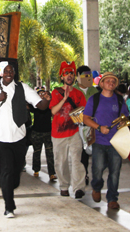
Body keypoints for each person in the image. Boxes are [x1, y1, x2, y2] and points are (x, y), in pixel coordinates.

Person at [0, 61, 50, 218]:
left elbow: (41, 106)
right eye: (6, 71)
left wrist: (46, 99)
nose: (9, 73)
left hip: (19, 138)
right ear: (0, 73)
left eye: (11, 71)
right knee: (5, 172)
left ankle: (11, 186)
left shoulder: (22, 88)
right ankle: (9, 207)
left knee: (15, 173)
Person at [82, 72, 129, 210]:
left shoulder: (120, 100)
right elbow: (85, 118)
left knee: (115, 171)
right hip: (99, 141)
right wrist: (99, 127)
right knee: (97, 170)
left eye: (113, 81)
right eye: (107, 81)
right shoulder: (94, 99)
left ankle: (112, 198)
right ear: (101, 84)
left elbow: (125, 117)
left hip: (116, 142)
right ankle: (96, 187)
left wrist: (123, 123)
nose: (111, 83)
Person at [49, 61, 87, 199]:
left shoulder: (79, 94)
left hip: (74, 132)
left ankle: (78, 188)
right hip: (58, 134)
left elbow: (83, 113)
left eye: (71, 73)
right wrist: (64, 98)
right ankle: (64, 186)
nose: (69, 75)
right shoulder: (56, 92)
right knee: (61, 162)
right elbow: (53, 111)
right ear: (62, 77)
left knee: (77, 160)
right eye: (66, 73)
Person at [74, 65, 99, 185]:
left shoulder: (94, 91)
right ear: (78, 77)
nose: (88, 78)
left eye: (90, 76)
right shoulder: (72, 90)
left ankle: (96, 175)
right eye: (85, 76)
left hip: (94, 126)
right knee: (81, 154)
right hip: (78, 127)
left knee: (96, 153)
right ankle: (84, 176)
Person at [29, 86, 57, 181]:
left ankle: (52, 173)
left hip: (48, 132)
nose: (41, 95)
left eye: (43, 93)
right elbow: (27, 104)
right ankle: (36, 170)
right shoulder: (35, 106)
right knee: (37, 152)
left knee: (50, 153)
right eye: (39, 94)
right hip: (36, 132)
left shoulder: (50, 105)